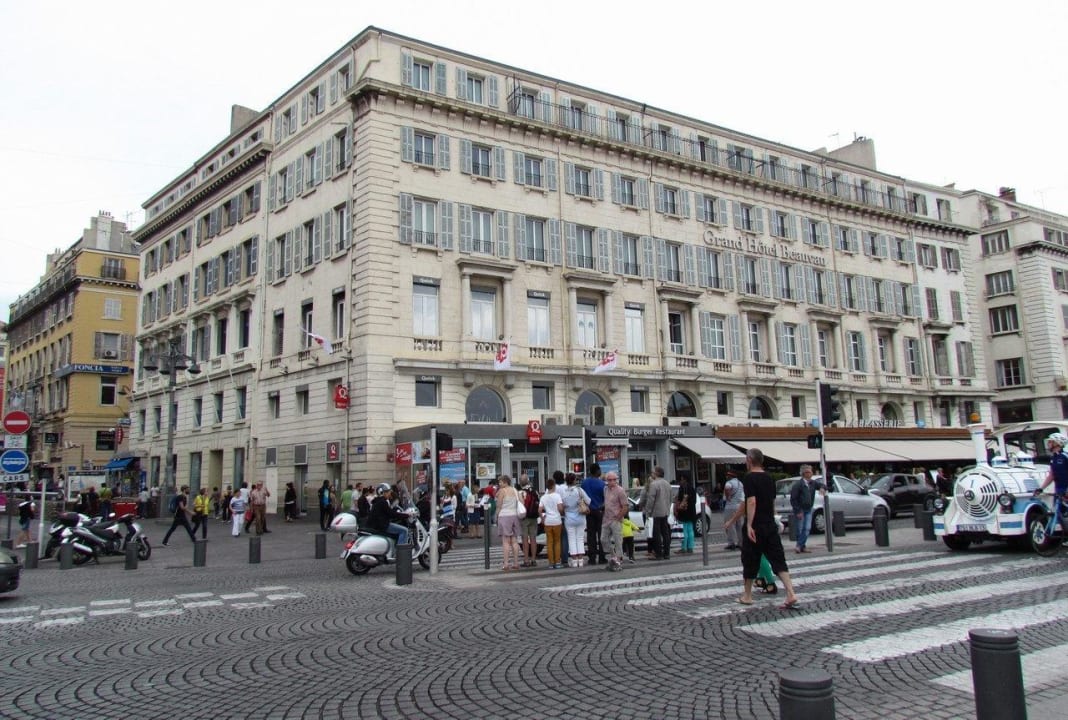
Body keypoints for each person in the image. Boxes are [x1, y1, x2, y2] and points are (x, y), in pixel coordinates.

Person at [737, 448, 799, 609]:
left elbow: (751, 501)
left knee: (750, 560)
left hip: (756, 526)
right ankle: (791, 592)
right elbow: (772, 502)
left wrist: (750, 524)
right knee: (778, 558)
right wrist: (773, 518)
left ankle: (747, 595)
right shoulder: (769, 478)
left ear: (750, 460)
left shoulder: (749, 478)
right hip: (769, 524)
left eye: (746, 459)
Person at [1035, 433, 1068, 531]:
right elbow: (1051, 475)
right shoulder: (1053, 458)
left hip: (1066, 488)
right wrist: (1041, 488)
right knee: (1059, 513)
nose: (1048, 444)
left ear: (1057, 443)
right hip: (1059, 489)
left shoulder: (1065, 456)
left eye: (1050, 441)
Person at [789, 465, 823, 554]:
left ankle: (799, 546)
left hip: (808, 509)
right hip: (801, 509)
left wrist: (823, 488)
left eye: (811, 471)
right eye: (809, 472)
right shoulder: (798, 485)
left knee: (807, 528)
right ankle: (801, 546)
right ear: (805, 473)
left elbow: (821, 485)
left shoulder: (813, 483)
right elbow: (793, 498)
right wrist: (798, 510)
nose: (811, 473)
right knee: (799, 529)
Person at [560, 473, 592, 567]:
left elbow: (562, 505)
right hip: (580, 517)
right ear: (574, 480)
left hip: (569, 518)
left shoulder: (563, 493)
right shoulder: (579, 490)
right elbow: (588, 501)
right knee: (580, 538)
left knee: (571, 539)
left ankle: (574, 560)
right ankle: (581, 560)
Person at [600, 471, 629, 571]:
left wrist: (619, 516)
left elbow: (625, 506)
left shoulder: (620, 490)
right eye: (609, 480)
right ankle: (613, 556)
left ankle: (618, 560)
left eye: (614, 480)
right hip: (606, 518)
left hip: (616, 519)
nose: (612, 482)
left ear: (616, 480)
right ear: (606, 481)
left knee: (618, 541)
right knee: (603, 539)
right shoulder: (605, 489)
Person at [643, 466, 672, 560]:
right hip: (665, 511)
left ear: (657, 473)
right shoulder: (667, 484)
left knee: (656, 533)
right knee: (665, 533)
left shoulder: (654, 484)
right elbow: (670, 498)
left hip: (656, 512)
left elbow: (651, 499)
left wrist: (648, 511)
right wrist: (667, 508)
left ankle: (658, 554)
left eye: (653, 472)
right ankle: (667, 553)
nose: (652, 474)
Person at [368, 483, 408, 551]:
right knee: (404, 531)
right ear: (382, 492)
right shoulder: (383, 502)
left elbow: (387, 512)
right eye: (388, 492)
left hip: (376, 524)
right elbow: (391, 514)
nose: (390, 493)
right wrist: (406, 515)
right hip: (382, 525)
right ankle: (400, 553)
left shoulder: (377, 501)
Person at [495, 475, 522, 571]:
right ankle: (516, 563)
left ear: (505, 482)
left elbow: (498, 505)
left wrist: (497, 517)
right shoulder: (515, 490)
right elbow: (521, 501)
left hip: (504, 516)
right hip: (514, 516)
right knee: (514, 541)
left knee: (506, 541)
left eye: (500, 482)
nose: (499, 484)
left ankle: (506, 564)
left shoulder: (503, 491)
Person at [581, 463, 606, 564]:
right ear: (597, 471)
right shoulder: (602, 484)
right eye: (600, 470)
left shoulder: (584, 483)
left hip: (589, 511)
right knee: (602, 535)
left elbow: (582, 496)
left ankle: (592, 558)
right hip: (599, 511)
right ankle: (602, 557)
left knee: (591, 535)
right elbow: (605, 498)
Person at [539, 472, 565, 569]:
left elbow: (539, 510)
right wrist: (561, 512)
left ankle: (551, 562)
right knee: (557, 542)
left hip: (548, 521)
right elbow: (560, 508)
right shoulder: (557, 496)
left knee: (549, 542)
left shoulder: (543, 497)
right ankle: (558, 562)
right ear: (553, 486)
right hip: (557, 521)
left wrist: (542, 518)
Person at [518, 478, 539, 567]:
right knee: (533, 539)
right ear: (528, 481)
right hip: (534, 517)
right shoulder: (535, 491)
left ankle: (526, 560)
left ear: (520, 483)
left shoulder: (520, 492)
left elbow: (520, 506)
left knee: (525, 539)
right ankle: (533, 559)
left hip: (524, 518)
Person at [675, 474, 698, 554]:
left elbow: (679, 500)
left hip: (684, 511)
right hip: (692, 511)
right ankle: (690, 547)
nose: (680, 481)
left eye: (681, 479)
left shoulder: (683, 488)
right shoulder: (692, 488)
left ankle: (684, 547)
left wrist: (678, 509)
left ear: (685, 480)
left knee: (684, 530)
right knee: (690, 529)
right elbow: (694, 501)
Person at [722, 470, 744, 550]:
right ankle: (741, 542)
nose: (726, 476)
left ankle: (731, 543)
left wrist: (728, 497)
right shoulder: (740, 483)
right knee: (740, 525)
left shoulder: (729, 483)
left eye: (727, 475)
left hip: (730, 506)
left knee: (730, 524)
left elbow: (727, 488)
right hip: (739, 505)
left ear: (730, 476)